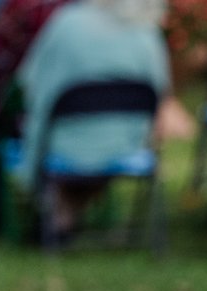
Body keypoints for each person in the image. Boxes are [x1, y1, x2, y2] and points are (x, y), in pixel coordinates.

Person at [14, 0, 173, 215]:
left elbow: (30, 84)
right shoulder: (146, 32)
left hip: (66, 145)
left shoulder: (67, 24)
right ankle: (68, 213)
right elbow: (161, 91)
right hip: (127, 146)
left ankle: (60, 214)